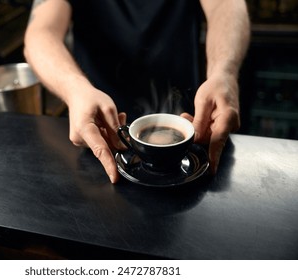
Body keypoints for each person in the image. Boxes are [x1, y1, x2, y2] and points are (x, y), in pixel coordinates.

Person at [24, 0, 250, 184]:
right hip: (99, 133)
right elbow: (41, 32)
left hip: (194, 129)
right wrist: (75, 89)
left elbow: (226, 5)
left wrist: (225, 72)